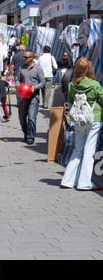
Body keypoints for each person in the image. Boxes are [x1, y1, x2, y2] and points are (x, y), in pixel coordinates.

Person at [60, 57, 103, 191]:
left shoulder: (72, 85)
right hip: (94, 118)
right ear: (89, 69)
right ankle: (84, 182)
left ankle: (67, 180)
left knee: (78, 149)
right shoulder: (95, 85)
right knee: (89, 151)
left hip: (78, 119)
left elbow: (70, 103)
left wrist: (68, 121)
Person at [18, 50, 45, 145]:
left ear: (31, 58)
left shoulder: (38, 69)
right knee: (22, 118)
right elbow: (17, 80)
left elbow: (42, 82)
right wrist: (18, 86)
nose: (24, 59)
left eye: (26, 57)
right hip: (23, 97)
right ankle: (26, 132)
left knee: (31, 118)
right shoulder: (21, 68)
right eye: (24, 57)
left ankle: (31, 136)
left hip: (33, 97)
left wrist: (35, 87)